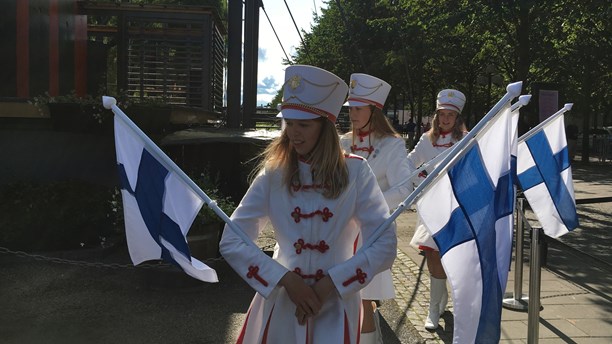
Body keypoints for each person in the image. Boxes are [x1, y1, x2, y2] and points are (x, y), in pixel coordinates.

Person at [219, 65, 397, 344]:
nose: (293, 133)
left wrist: (334, 282)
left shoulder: (356, 172)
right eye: (288, 123)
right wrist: (285, 280)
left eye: (303, 124)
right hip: (280, 303)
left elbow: (384, 243)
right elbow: (232, 240)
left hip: (336, 305)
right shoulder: (273, 173)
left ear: (324, 127)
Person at [339, 73, 412, 342]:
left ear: (374, 111)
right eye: (350, 109)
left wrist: (366, 204)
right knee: (347, 297)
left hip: (371, 232)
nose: (352, 115)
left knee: (362, 299)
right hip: (341, 232)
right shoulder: (343, 141)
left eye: (358, 109)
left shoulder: (393, 145)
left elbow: (404, 190)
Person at [408, 89, 467, 330]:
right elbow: (408, 164)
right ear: (436, 115)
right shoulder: (426, 139)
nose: (445, 119)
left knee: (448, 254)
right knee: (432, 252)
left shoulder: (465, 139)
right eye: (442, 114)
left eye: (450, 115)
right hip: (431, 204)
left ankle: (444, 300)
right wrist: (418, 179)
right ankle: (434, 308)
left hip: (454, 205)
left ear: (457, 117)